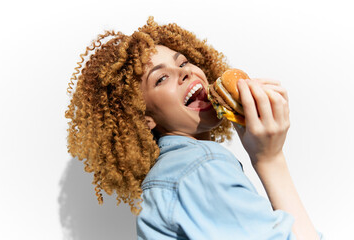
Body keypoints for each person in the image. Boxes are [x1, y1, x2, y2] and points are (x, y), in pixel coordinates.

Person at [65, 17, 322, 239]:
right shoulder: (199, 166)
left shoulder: (174, 171)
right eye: (161, 78)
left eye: (183, 62)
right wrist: (270, 159)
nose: (184, 73)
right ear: (144, 119)